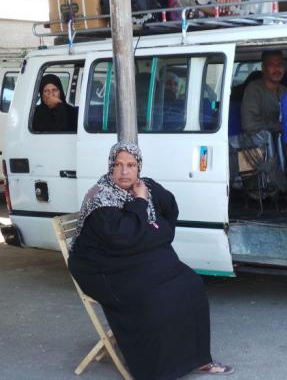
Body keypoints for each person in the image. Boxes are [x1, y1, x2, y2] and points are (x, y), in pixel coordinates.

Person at [68, 141, 233, 380]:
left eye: (131, 165)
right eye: (118, 165)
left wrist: (151, 194)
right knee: (154, 296)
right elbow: (123, 236)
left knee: (190, 283)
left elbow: (170, 210)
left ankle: (198, 359)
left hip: (128, 260)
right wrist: (141, 202)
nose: (124, 171)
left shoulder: (143, 187)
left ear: (139, 167)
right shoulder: (100, 196)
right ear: (110, 166)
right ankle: (157, 371)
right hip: (100, 269)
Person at [241, 50, 286, 134]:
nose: (276, 69)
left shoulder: (285, 91)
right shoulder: (254, 89)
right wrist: (278, 126)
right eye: (271, 65)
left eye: (279, 65)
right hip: (260, 144)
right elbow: (249, 124)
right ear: (263, 67)